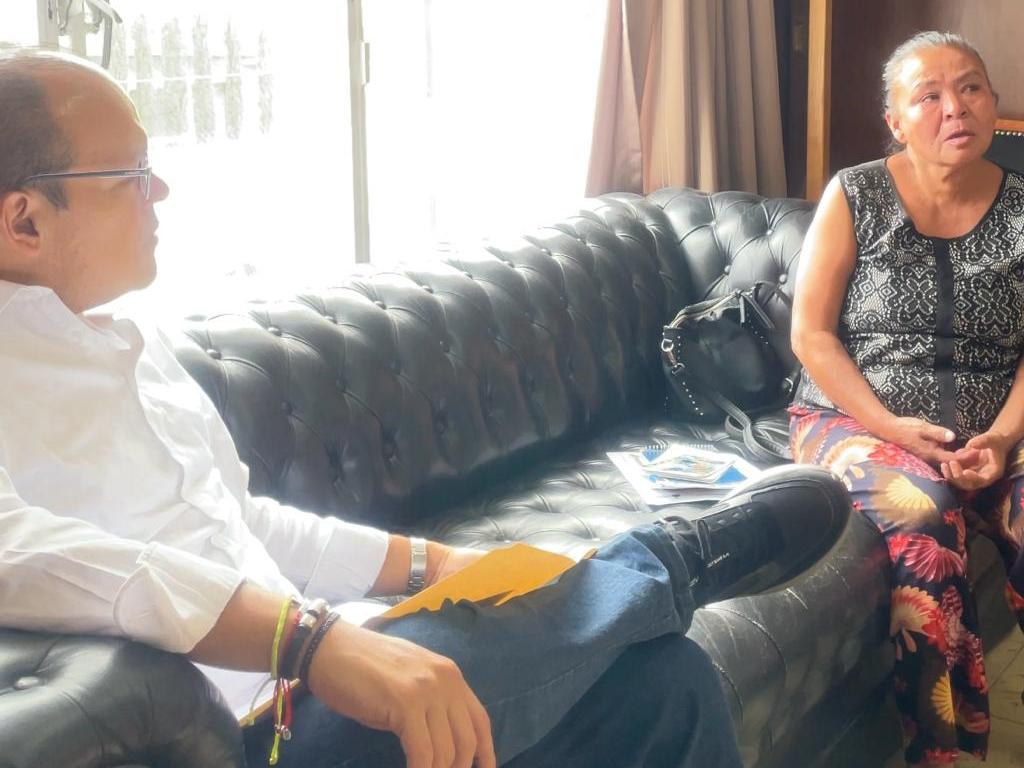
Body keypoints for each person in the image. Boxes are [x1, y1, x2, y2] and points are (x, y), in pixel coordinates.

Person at [0, 49, 850, 768]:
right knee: (589, 647)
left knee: (665, 685)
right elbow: (20, 552)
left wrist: (434, 566)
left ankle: (626, 581)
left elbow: (243, 520)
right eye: (131, 174)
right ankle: (667, 561)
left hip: (308, 673)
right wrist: (306, 640)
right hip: (228, 736)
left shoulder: (129, 345)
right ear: (25, 221)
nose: (160, 191)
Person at [790, 30, 1024, 768]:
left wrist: (1004, 438)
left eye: (971, 87)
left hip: (999, 427)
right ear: (895, 120)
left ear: (992, 102)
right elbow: (811, 335)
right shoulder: (855, 194)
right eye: (929, 95)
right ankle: (941, 753)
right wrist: (889, 425)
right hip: (852, 419)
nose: (956, 107)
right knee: (924, 514)